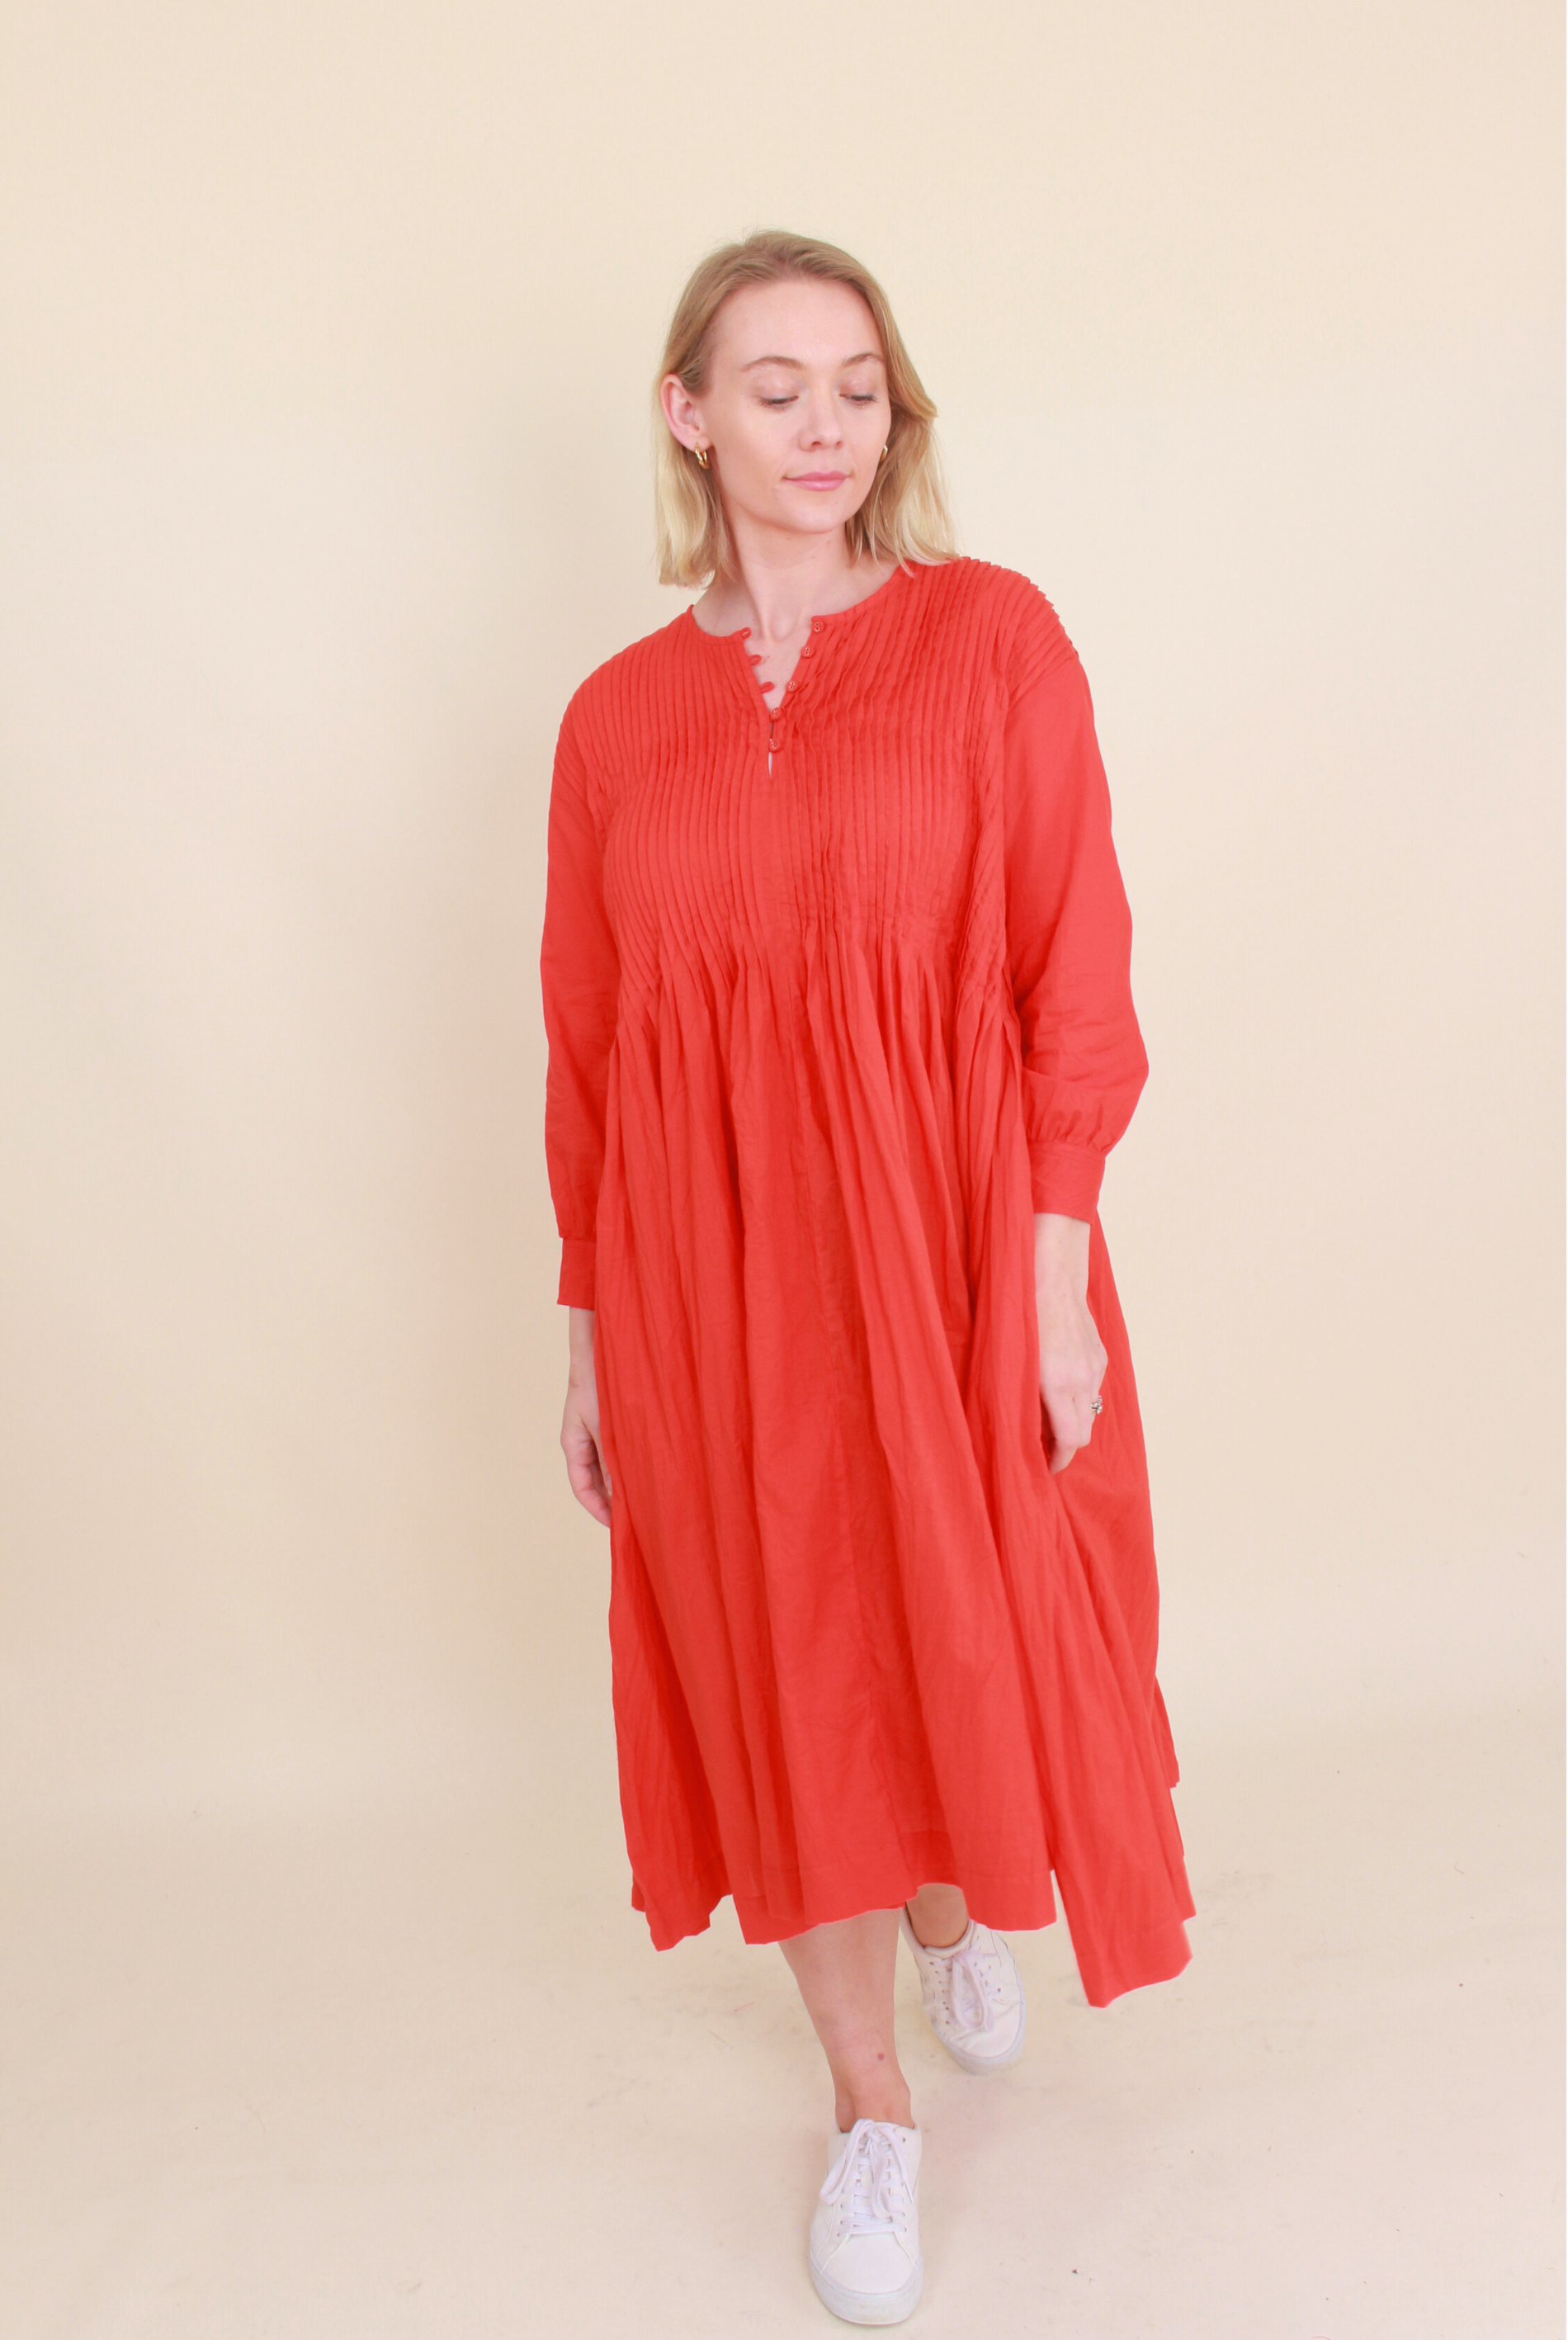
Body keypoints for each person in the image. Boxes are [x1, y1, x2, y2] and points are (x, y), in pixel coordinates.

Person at [539, 228, 1195, 2328]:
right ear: (686, 412)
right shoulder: (614, 722)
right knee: (774, 1643)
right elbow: (586, 1033)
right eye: (770, 384)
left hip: (943, 1240)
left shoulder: (993, 642)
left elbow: (1062, 970)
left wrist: (1060, 1269)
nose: (822, 424)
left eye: (855, 385)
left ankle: (958, 1896)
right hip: (700, 1266)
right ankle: (869, 2113)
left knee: (962, 1609)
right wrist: (581, 1328)